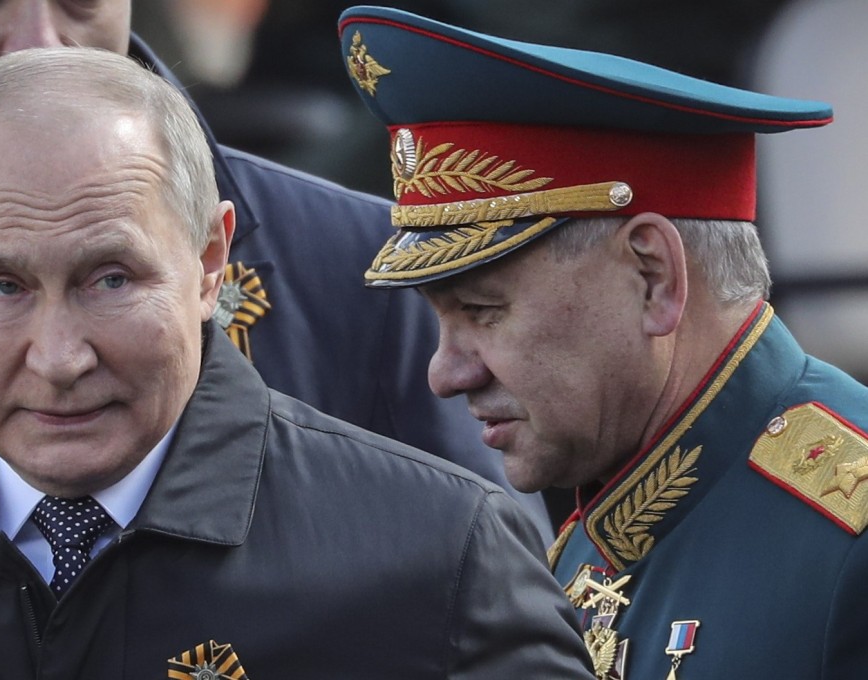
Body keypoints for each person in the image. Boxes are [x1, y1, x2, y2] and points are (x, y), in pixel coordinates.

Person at [0, 46, 593, 678]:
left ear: (211, 262)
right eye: (3, 286)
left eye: (110, 279)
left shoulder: (443, 561)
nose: (60, 358)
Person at [0, 0, 551, 540]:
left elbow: (482, 586)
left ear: (213, 256)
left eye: (79, 1)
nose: (37, 40)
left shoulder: (362, 264)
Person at [338, 6, 868, 679]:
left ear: (652, 277)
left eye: (482, 310)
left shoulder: (848, 533)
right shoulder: (589, 539)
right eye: (443, 321)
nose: (445, 374)